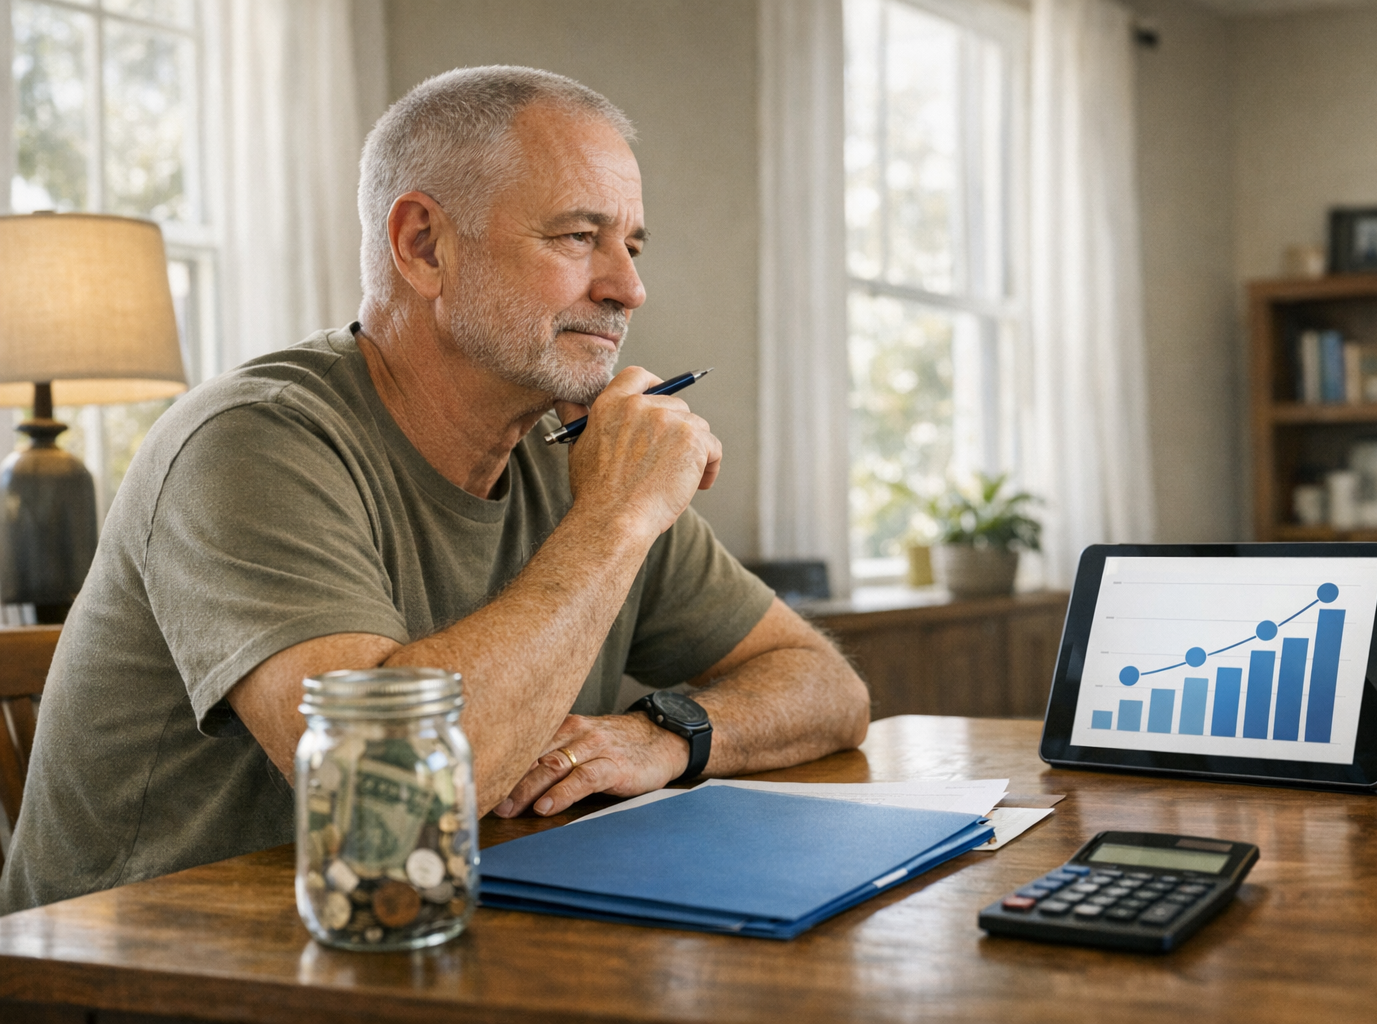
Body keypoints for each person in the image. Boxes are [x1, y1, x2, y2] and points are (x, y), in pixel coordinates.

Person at [0, 66, 869, 913]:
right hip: (145, 973)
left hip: (420, 942)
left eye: (631, 246)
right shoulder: (248, 442)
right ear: (423, 245)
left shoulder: (578, 455)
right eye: (578, 236)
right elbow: (391, 797)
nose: (628, 288)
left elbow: (827, 689)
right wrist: (617, 519)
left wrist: (665, 736)